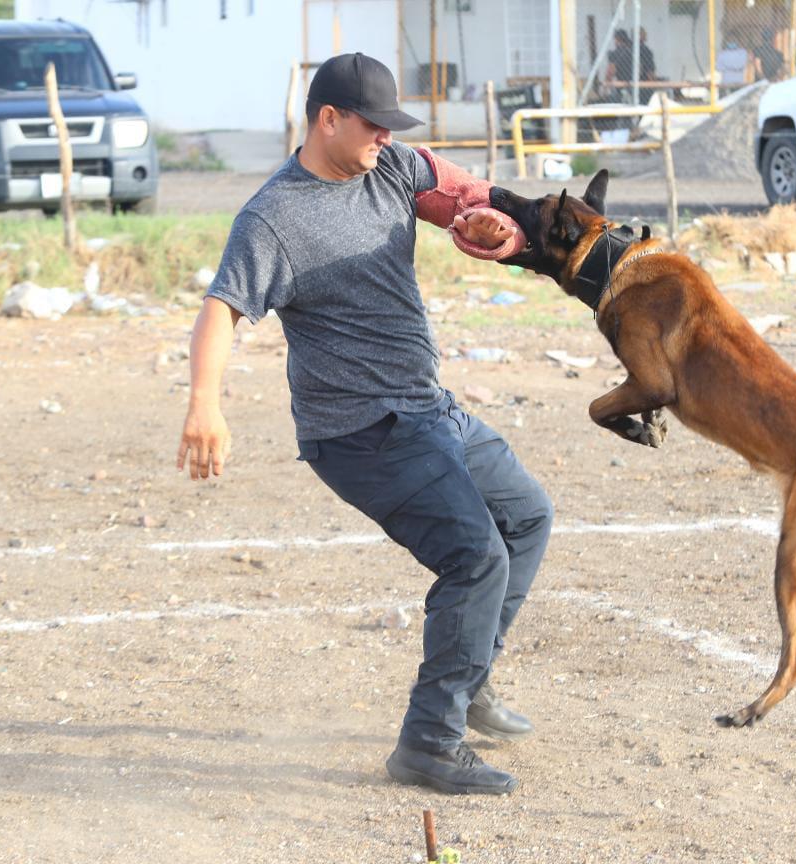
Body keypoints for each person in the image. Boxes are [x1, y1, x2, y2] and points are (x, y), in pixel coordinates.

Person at [176, 53, 554, 796]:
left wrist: (488, 223)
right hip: (359, 431)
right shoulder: (273, 219)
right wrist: (203, 402)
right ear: (329, 119)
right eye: (374, 125)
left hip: (428, 408)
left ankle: (468, 674)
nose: (387, 138)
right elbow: (221, 309)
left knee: (526, 517)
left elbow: (462, 200)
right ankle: (429, 742)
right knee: (475, 557)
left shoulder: (389, 166)